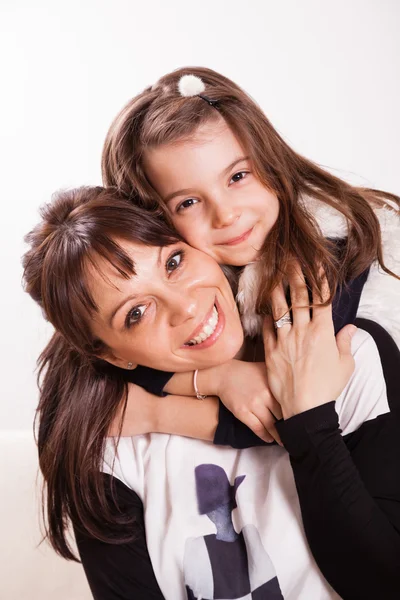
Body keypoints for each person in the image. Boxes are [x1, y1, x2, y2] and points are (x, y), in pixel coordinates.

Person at [23, 186, 400, 599]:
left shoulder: (351, 355)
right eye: (135, 313)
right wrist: (209, 383)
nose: (184, 307)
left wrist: (310, 419)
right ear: (112, 356)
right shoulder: (112, 447)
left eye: (174, 262)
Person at [101, 66, 400, 441]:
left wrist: (156, 412)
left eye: (238, 177)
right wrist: (219, 377)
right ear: (153, 222)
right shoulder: (188, 283)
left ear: (268, 158)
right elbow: (122, 357)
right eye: (189, 202)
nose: (226, 214)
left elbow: (292, 413)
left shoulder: (330, 252)